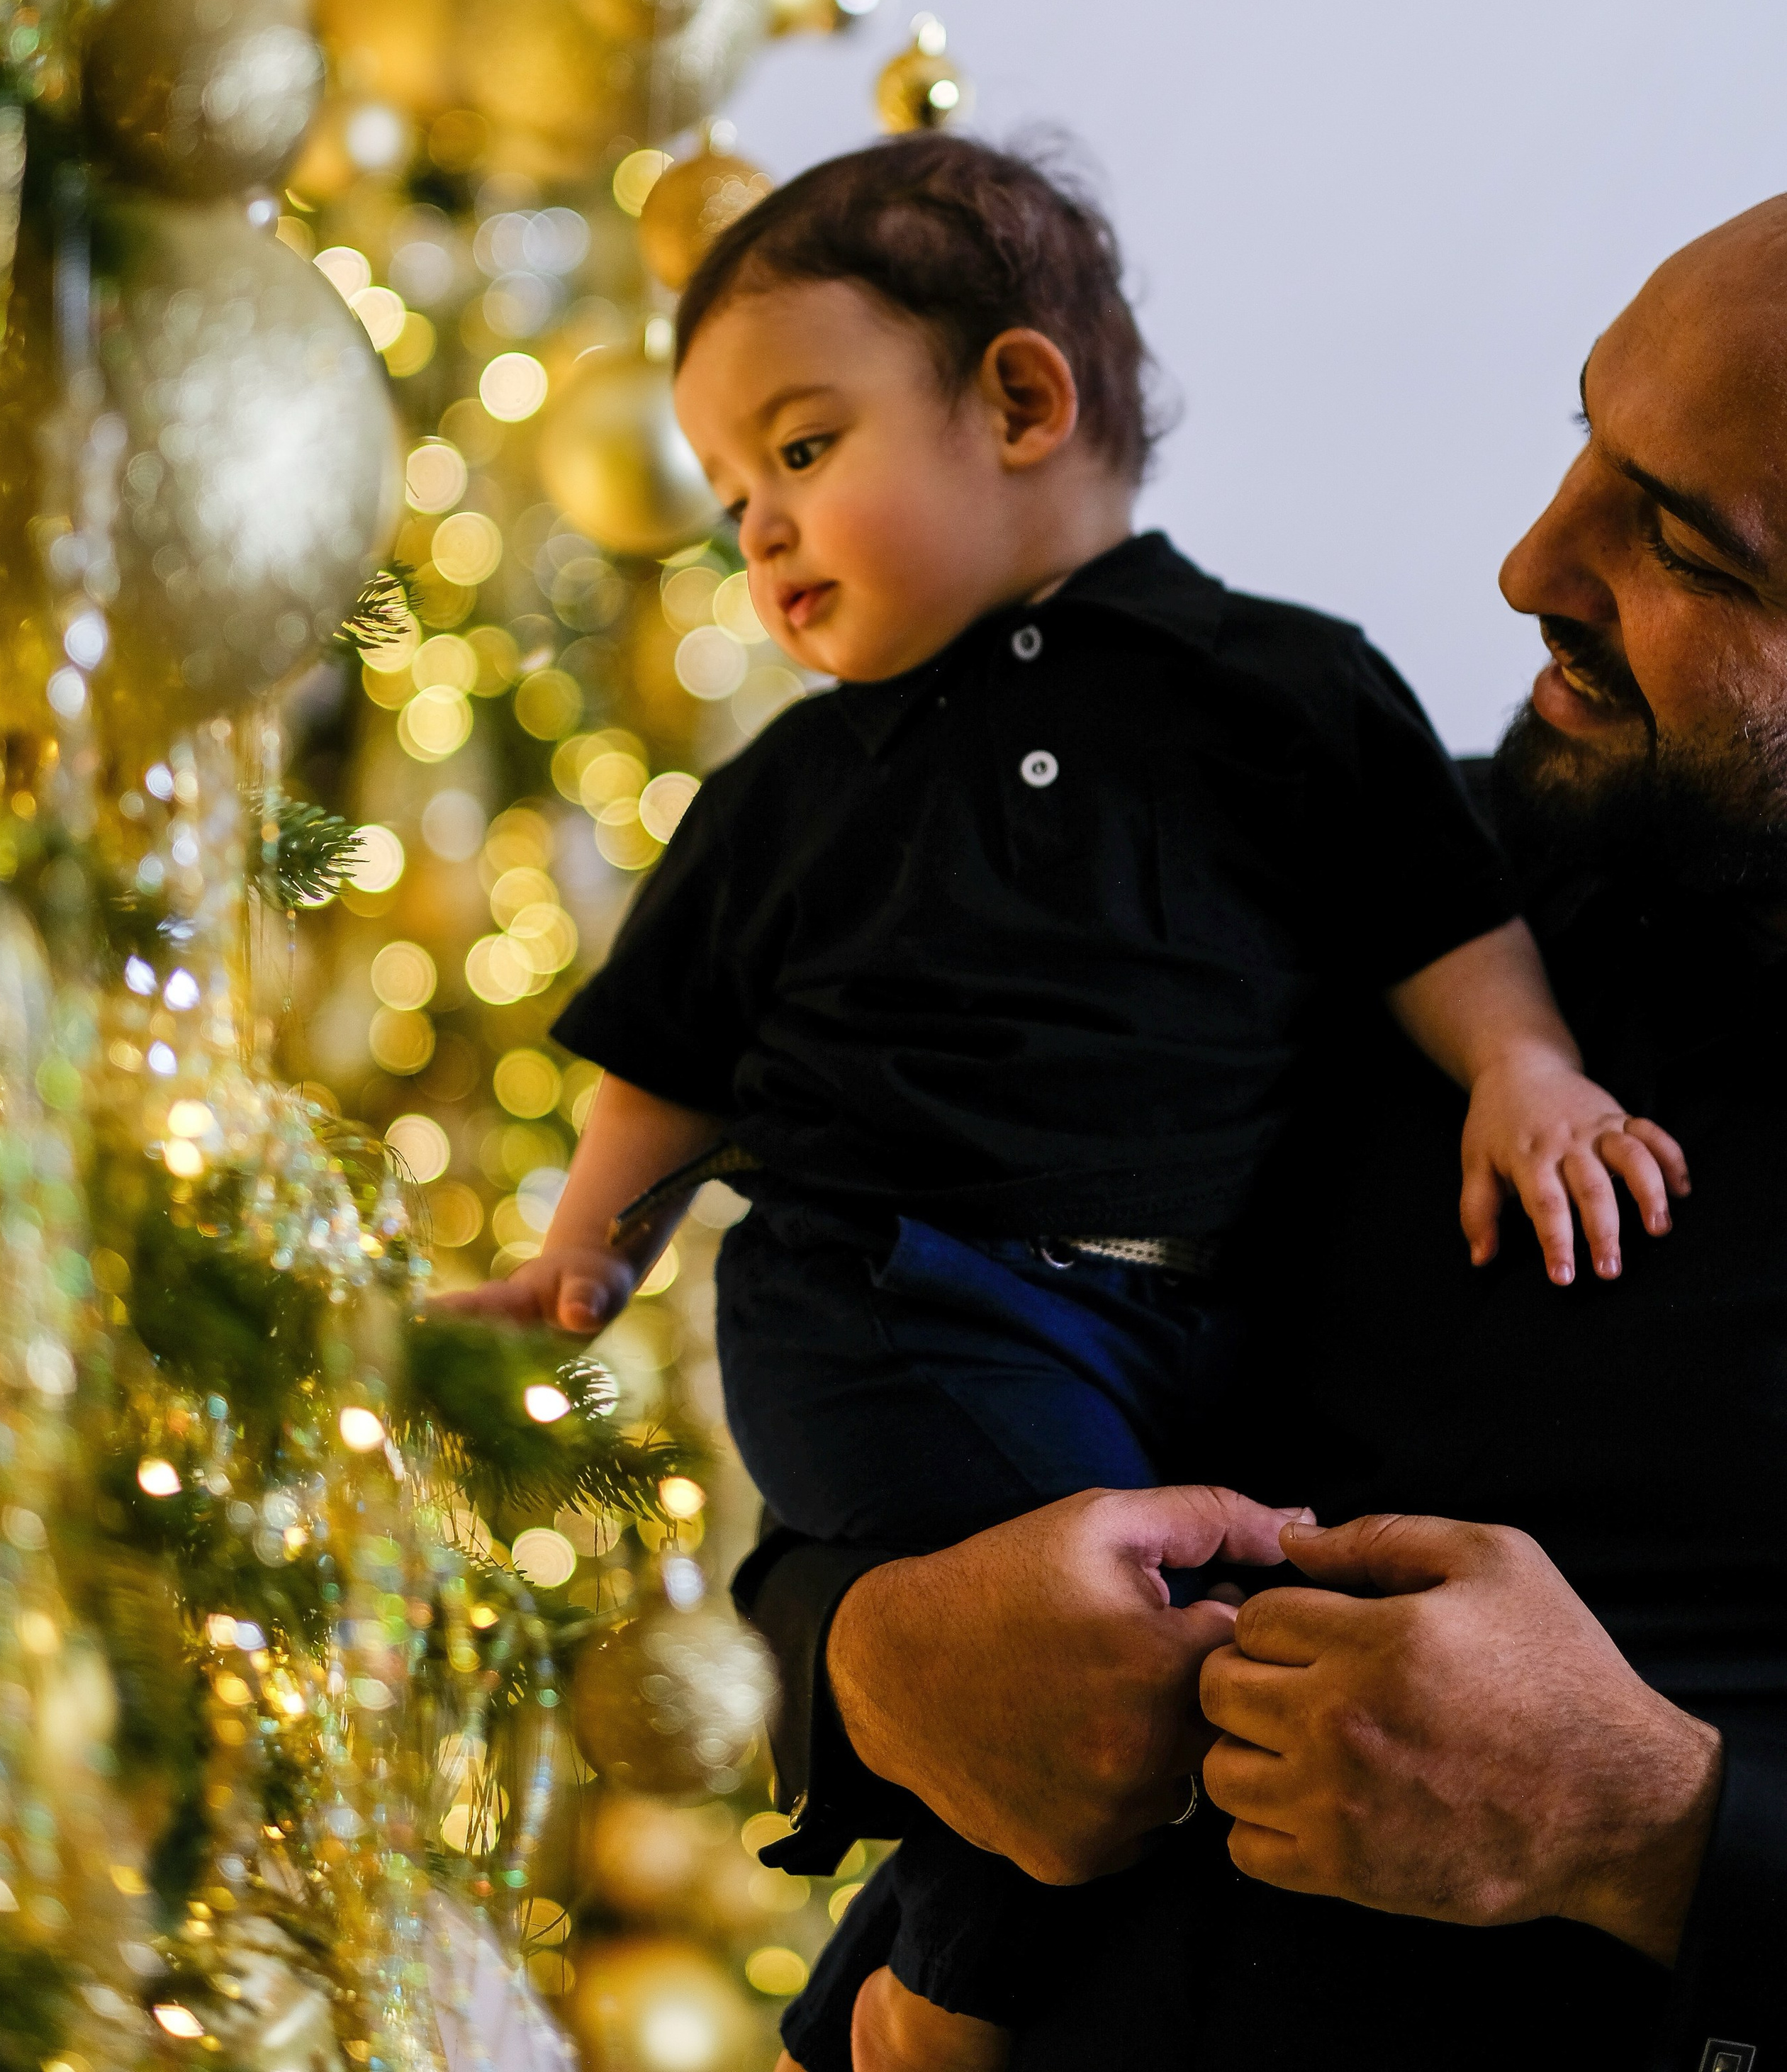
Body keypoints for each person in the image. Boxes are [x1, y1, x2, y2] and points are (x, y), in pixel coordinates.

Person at [444, 135, 1685, 2071]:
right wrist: (583, 1254)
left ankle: (947, 1972)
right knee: (1085, 1637)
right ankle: (944, 1992)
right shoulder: (802, 785)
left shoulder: (1284, 690)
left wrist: (1525, 1070)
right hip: (889, 1284)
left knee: (1170, 1629)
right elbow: (672, 1057)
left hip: (1185, 1311)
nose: (756, 533)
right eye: (726, 495)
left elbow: (1431, 917)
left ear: (1020, 400)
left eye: (797, 448)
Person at [736, 191, 1787, 2072]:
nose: (1528, 561)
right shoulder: (1383, 891)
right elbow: (901, 1294)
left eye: (1687, 548)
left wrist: (1649, 1829)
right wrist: (871, 1654)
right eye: (1584, 450)